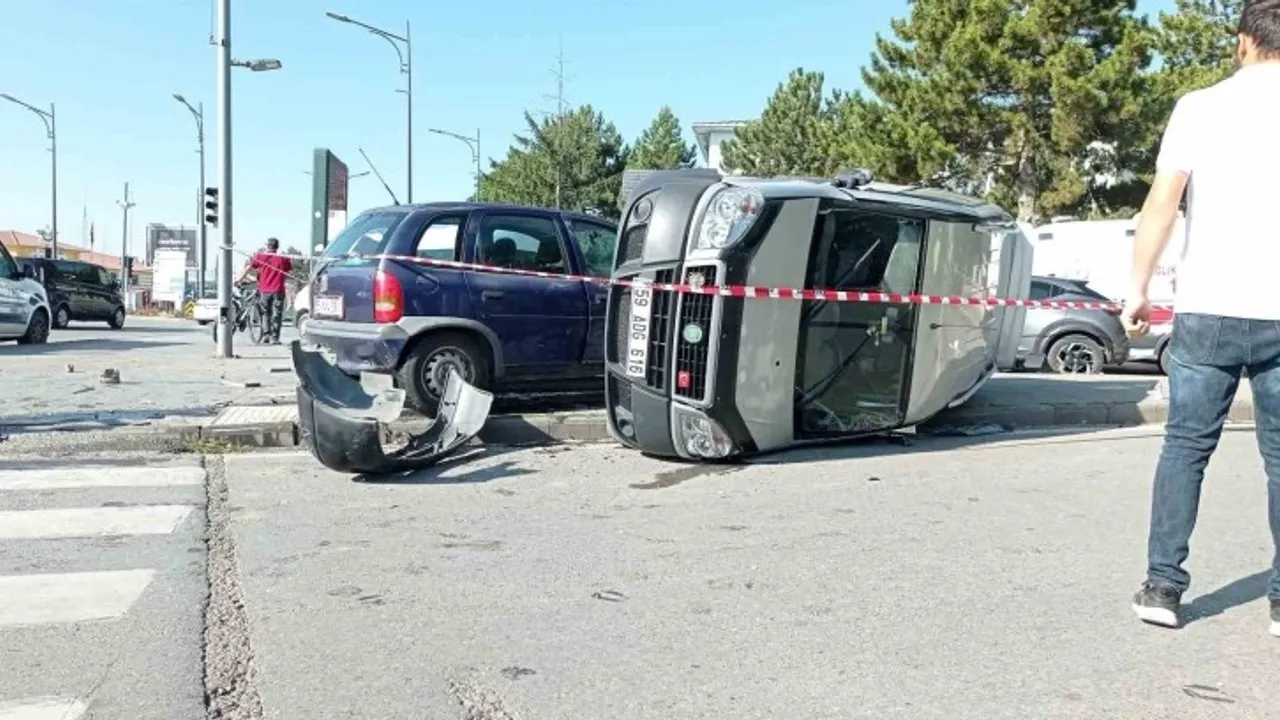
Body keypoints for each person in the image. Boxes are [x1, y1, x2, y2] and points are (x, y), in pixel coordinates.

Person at [1124, 0, 1280, 635]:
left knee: (1185, 448)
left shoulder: (1199, 106)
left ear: (1243, 41)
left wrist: (1136, 288)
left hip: (1209, 306)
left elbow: (1164, 201)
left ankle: (1163, 587)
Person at [238, 237, 293, 344]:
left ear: (267, 246)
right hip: (278, 290)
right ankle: (275, 338)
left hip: (264, 290)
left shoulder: (261, 257)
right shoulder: (283, 258)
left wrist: (239, 279)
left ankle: (266, 336)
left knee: (265, 313)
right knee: (276, 314)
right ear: (277, 247)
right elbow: (290, 272)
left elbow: (249, 267)